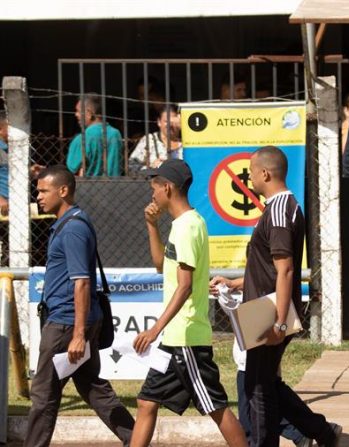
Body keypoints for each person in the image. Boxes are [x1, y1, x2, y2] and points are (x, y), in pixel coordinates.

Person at [210, 146, 341, 447]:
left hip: (268, 312)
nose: (251, 178)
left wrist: (280, 324)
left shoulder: (281, 210)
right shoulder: (276, 208)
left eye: (252, 172)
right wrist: (235, 283)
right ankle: (321, 432)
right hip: (262, 308)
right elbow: (268, 270)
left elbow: (285, 270)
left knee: (256, 389)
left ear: (265, 173)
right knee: (263, 385)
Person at [130, 159, 247, 447]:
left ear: (167, 188)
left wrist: (154, 329)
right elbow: (161, 265)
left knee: (215, 406)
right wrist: (151, 225)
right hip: (174, 339)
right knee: (146, 402)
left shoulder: (187, 227)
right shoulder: (181, 225)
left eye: (154, 189)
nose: (152, 196)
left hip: (186, 338)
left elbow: (183, 287)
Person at [25, 166, 135, 447]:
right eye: (37, 191)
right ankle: (136, 439)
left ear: (63, 191)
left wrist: (77, 334)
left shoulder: (73, 228)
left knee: (43, 396)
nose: (38, 196)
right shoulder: (70, 223)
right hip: (71, 322)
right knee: (92, 388)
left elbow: (82, 283)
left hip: (66, 324)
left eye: (43, 191)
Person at [65, 94, 123, 177]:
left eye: (78, 111)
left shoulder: (82, 138)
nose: (76, 114)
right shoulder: (116, 134)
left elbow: (72, 167)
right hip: (115, 186)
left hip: (89, 187)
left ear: (89, 113)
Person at [128, 105, 183, 171]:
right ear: (159, 122)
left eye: (173, 122)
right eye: (166, 121)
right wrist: (151, 167)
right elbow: (131, 165)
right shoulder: (149, 140)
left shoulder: (187, 143)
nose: (170, 125)